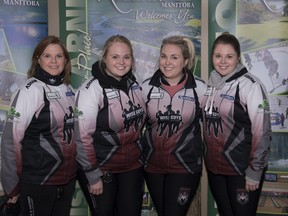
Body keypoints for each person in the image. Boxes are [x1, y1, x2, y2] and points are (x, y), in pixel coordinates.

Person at [0, 35, 77, 216]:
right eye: (47, 55)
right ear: (38, 59)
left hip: (66, 181)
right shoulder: (29, 91)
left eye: (59, 56)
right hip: (38, 181)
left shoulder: (68, 90)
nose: (53, 61)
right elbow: (10, 142)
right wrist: (11, 187)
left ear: (65, 60)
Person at [75, 35, 146, 216]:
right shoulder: (91, 90)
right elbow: (82, 137)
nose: (121, 62)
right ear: (104, 58)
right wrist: (92, 175)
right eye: (115, 57)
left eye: (126, 57)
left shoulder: (134, 83)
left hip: (132, 167)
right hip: (101, 169)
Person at [202, 33, 271, 216]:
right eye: (218, 56)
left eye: (229, 56)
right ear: (212, 58)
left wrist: (255, 172)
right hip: (215, 169)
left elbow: (262, 133)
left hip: (242, 170)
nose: (222, 61)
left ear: (238, 58)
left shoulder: (251, 86)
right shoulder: (211, 85)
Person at [141, 35, 207, 216]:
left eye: (174, 57)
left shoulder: (200, 89)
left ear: (185, 61)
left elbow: (214, 129)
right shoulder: (146, 88)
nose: (167, 62)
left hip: (185, 167)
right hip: (152, 166)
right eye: (163, 56)